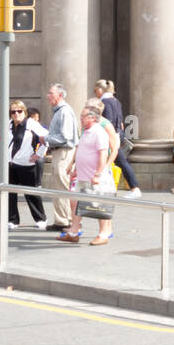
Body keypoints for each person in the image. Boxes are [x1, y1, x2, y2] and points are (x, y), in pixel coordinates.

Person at [62, 103, 113, 245]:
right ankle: (73, 232)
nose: (81, 118)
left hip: (94, 177)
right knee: (77, 204)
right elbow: (82, 152)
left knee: (100, 205)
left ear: (92, 118)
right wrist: (75, 170)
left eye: (83, 116)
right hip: (82, 176)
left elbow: (103, 154)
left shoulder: (99, 132)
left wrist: (97, 174)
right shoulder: (86, 131)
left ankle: (103, 234)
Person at [95, 80, 143, 196]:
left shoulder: (105, 102)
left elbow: (109, 121)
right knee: (120, 161)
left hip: (111, 136)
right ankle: (133, 187)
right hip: (117, 135)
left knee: (119, 161)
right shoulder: (115, 101)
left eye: (95, 90)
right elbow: (119, 121)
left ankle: (134, 188)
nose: (95, 93)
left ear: (100, 90)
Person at [7, 100, 48, 228]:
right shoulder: (8, 124)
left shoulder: (31, 124)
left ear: (24, 112)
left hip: (26, 164)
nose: (16, 114)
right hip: (10, 164)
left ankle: (40, 218)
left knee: (31, 193)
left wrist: (39, 154)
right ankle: (13, 220)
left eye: (19, 111)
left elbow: (46, 138)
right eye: (13, 112)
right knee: (10, 193)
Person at [44, 83, 79, 231]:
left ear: (60, 95)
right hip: (60, 152)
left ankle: (67, 220)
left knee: (62, 186)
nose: (48, 96)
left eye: (51, 93)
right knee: (58, 186)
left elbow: (66, 137)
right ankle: (61, 220)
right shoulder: (59, 111)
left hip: (64, 152)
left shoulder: (64, 112)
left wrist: (46, 137)